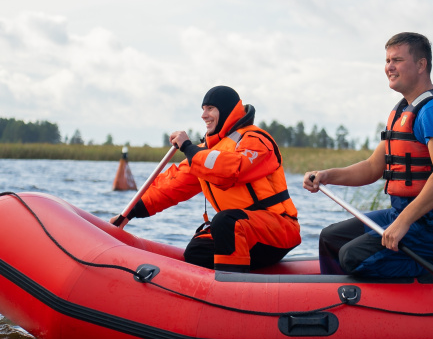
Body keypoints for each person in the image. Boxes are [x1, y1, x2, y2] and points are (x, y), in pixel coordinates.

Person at [304, 32, 433, 277]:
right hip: (405, 212)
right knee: (331, 238)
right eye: (387, 61)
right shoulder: (403, 111)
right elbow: (373, 167)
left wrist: (403, 222)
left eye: (397, 60)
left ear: (421, 65)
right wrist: (326, 175)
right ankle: (339, 301)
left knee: (353, 257)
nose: (389, 67)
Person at [113, 86, 301, 272]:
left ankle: (234, 290)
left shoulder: (256, 140)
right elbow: (171, 186)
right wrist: (128, 214)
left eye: (210, 108)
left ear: (226, 111)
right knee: (197, 251)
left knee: (225, 222)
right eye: (203, 109)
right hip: (243, 230)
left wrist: (187, 147)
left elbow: (230, 170)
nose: (204, 115)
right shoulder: (206, 152)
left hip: (279, 230)